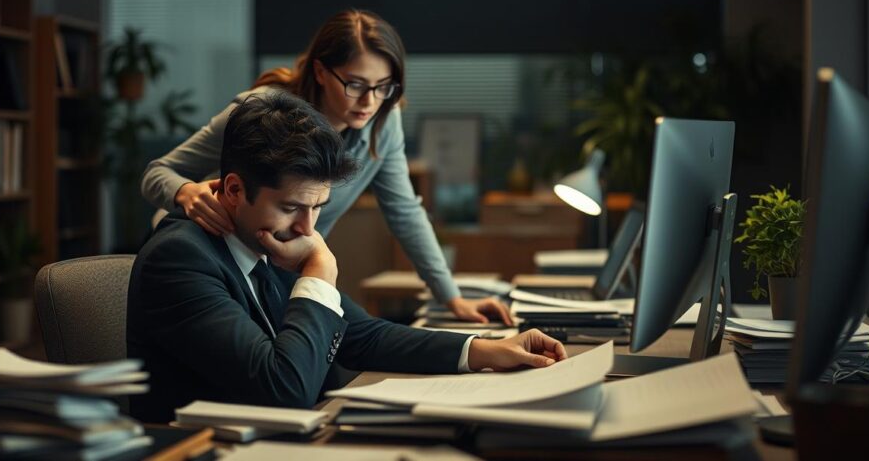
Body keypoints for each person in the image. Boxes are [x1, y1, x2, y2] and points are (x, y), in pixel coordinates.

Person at [127, 93, 567, 422]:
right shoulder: (182, 259)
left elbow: (365, 336)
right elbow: (284, 390)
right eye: (291, 207)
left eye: (317, 207)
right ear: (234, 190)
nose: (308, 228)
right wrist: (319, 271)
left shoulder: (264, 239)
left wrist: (487, 350)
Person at [141, 9, 511, 325]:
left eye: (384, 87)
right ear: (320, 71)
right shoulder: (263, 112)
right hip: (215, 260)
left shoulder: (384, 120)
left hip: (280, 268)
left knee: (355, 338)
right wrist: (185, 192)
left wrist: (451, 297)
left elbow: (404, 211)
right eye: (355, 84)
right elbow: (157, 172)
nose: (370, 102)